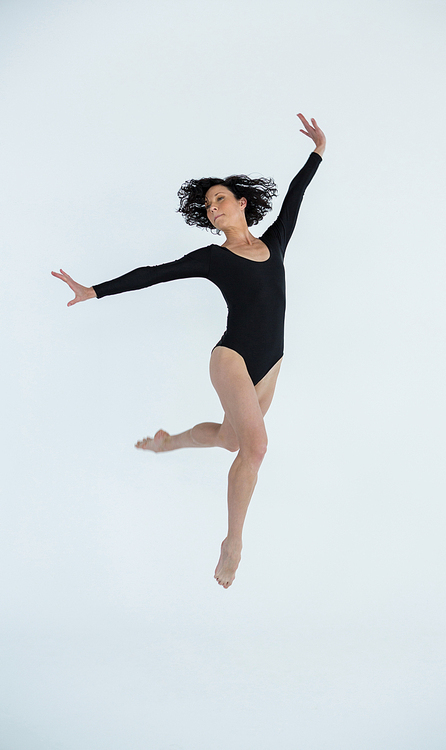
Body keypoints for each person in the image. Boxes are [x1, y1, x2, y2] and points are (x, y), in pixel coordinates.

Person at [52, 113, 326, 588]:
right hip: (233, 357)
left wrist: (318, 152)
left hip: (271, 364)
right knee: (257, 448)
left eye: (220, 199)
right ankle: (233, 543)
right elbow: (153, 272)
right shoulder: (212, 258)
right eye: (208, 206)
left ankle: (168, 442)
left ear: (242, 203)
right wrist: (93, 290)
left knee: (231, 439)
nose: (214, 208)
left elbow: (296, 196)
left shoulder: (275, 241)